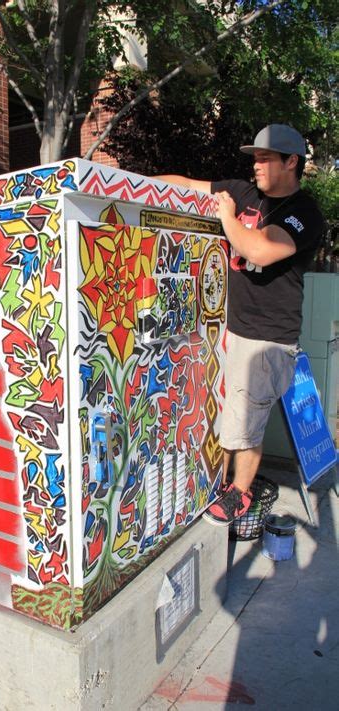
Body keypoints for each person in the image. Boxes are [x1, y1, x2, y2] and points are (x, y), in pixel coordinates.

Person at [158, 124, 325, 526]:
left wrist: (229, 218)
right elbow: (186, 185)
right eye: (255, 157)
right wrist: (121, 181)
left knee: (246, 423)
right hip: (226, 328)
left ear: (291, 162)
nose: (257, 166)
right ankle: (220, 480)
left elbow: (259, 250)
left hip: (266, 339)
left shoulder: (306, 214)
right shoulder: (243, 190)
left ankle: (240, 493)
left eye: (266, 158)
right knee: (221, 415)